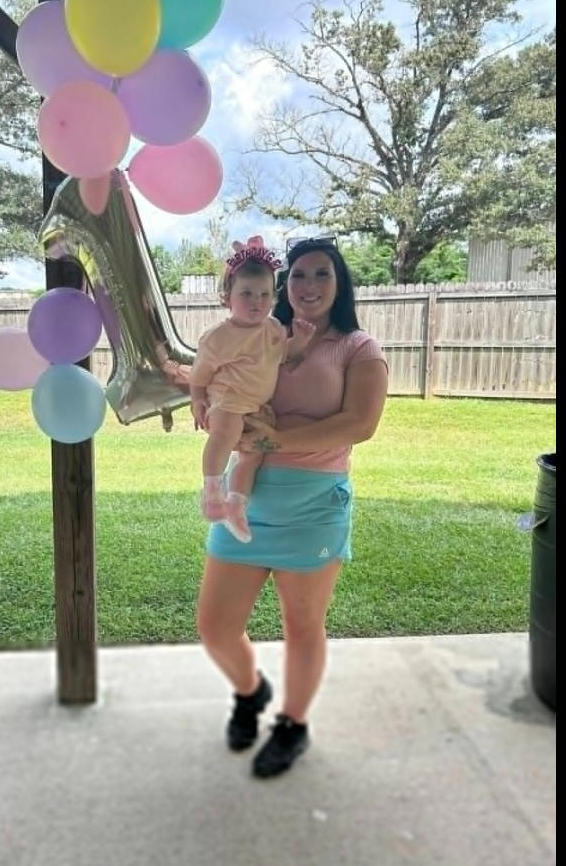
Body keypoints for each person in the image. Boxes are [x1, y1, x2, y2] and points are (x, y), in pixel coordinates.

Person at [195, 236, 389, 779]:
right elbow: (218, 377)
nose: (308, 286)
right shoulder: (265, 336)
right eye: (299, 275)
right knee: (214, 626)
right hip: (247, 496)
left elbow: (359, 425)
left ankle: (293, 723)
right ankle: (251, 691)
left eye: (321, 274)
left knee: (302, 625)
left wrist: (273, 442)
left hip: (314, 505)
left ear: (339, 282)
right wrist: (185, 393)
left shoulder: (358, 348)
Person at [188, 236, 316, 543]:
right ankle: (212, 492)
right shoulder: (219, 337)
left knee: (253, 455)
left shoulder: (273, 330)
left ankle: (236, 504)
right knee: (225, 435)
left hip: (258, 408)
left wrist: (299, 341)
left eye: (264, 294)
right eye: (246, 293)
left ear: (273, 298)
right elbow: (199, 375)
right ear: (227, 297)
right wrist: (197, 401)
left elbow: (284, 356)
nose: (256, 301)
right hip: (228, 402)